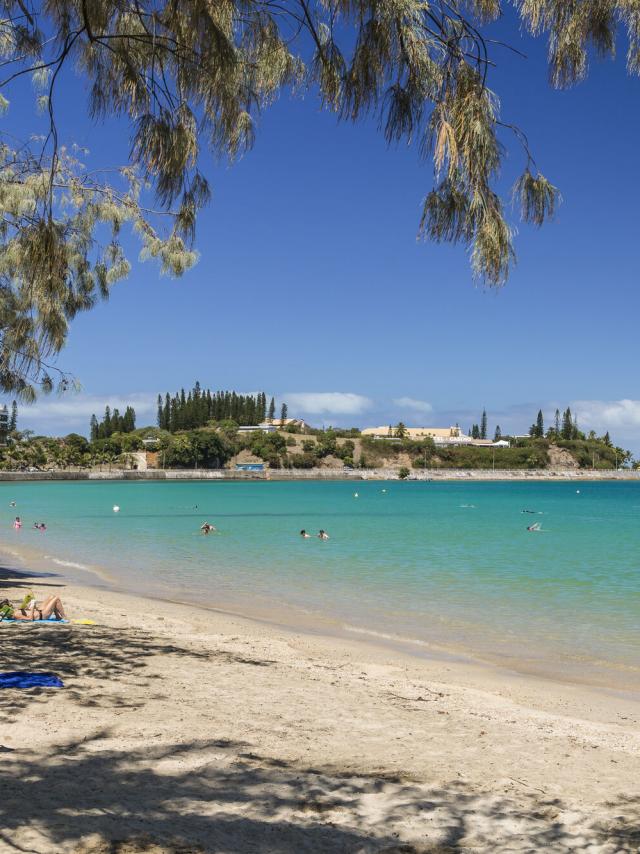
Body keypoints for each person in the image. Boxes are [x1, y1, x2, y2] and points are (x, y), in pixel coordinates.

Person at [0, 594, 68, 621]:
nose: (11, 604)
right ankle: (64, 617)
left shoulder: (14, 612)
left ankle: (57, 616)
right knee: (56, 599)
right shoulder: (15, 615)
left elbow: (26, 613)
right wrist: (32, 606)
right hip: (42, 615)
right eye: (9, 604)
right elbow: (30, 619)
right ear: (6, 608)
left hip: (39, 611)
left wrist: (26, 603)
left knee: (51, 597)